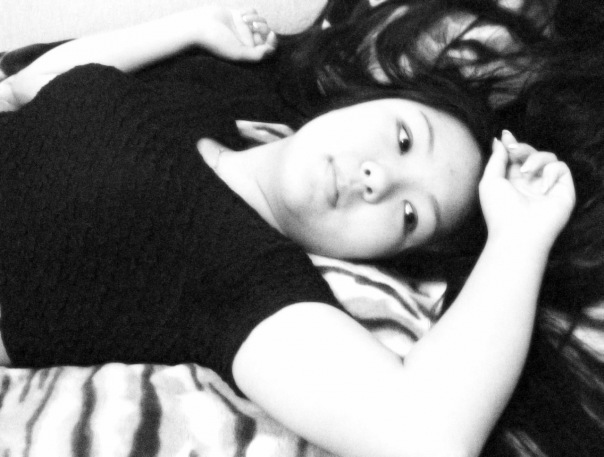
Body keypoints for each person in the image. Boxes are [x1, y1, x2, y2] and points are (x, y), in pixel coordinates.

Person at [0, 5, 576, 457]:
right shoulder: (216, 93)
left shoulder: (246, 273)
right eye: (403, 138)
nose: (379, 178)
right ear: (366, 101)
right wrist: (191, 27)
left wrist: (519, 235)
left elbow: (423, 435)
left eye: (409, 216)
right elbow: (28, 85)